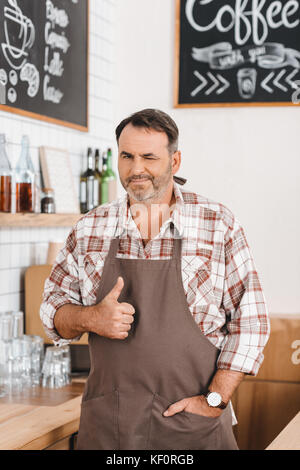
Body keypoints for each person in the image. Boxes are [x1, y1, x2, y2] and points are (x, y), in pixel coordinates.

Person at [40, 108, 270, 450]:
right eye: (127, 156)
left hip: (193, 430)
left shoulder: (217, 225)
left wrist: (214, 401)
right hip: (109, 429)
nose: (136, 169)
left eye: (149, 157)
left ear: (175, 162)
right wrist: (90, 318)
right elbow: (51, 310)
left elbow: (251, 323)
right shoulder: (90, 228)